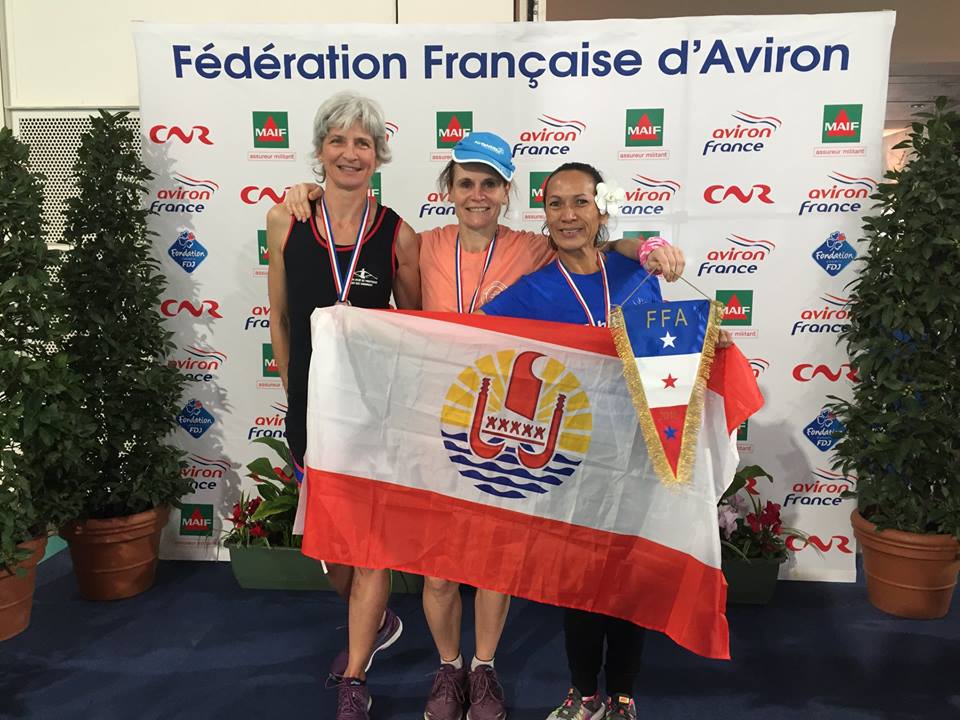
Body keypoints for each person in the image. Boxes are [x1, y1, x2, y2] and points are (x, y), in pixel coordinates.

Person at [283, 134, 685, 720]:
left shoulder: (533, 247)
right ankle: (449, 669)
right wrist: (310, 194)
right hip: (438, 422)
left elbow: (596, 245)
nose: (478, 194)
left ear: (506, 193)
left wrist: (648, 244)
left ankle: (486, 668)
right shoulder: (421, 242)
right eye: (467, 183)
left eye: (490, 184)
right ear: (449, 190)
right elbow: (375, 277)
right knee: (439, 567)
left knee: (495, 557)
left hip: (506, 424)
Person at [480, 161, 730, 720]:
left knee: (630, 579)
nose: (568, 215)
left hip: (641, 452)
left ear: (601, 209)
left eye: (580, 202)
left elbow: (668, 348)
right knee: (581, 583)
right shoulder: (529, 291)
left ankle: (621, 694)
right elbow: (467, 344)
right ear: (544, 215)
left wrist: (712, 343)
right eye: (555, 204)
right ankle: (582, 692)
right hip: (572, 460)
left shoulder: (636, 272)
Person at [265, 90, 420, 720]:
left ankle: (355, 675)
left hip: (374, 413)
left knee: (372, 543)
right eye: (338, 140)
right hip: (311, 411)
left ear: (378, 154)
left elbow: (414, 327)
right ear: (320, 150)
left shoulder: (398, 234)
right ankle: (375, 621)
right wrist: (292, 390)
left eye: (362, 142)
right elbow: (279, 317)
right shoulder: (286, 219)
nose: (350, 153)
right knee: (332, 551)